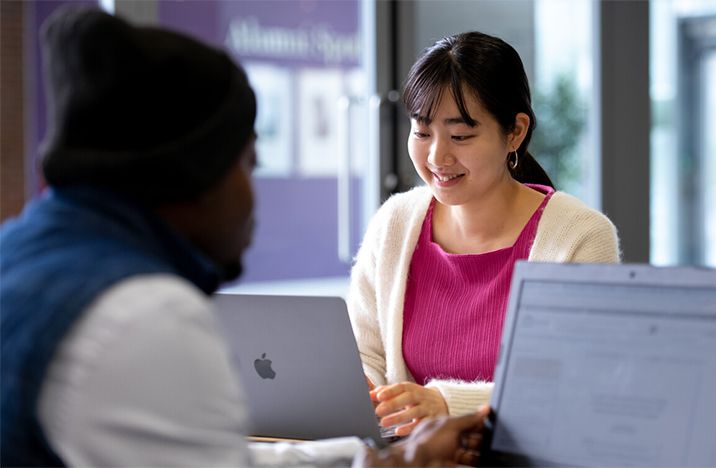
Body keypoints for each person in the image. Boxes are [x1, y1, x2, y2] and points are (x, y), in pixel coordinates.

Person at [0, 8, 487, 467]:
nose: (254, 197)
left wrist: (388, 457)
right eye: (249, 164)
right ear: (197, 173)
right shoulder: (143, 314)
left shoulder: (20, 252)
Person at [348, 31, 621, 437]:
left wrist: (446, 405)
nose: (437, 157)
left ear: (515, 132)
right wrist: (363, 392)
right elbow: (364, 353)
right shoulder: (395, 224)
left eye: (460, 136)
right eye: (422, 132)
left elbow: (575, 383)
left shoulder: (579, 238)